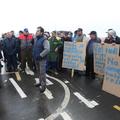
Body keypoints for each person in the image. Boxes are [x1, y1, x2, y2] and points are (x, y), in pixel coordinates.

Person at [33, 26, 50, 93]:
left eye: (38, 31)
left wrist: (40, 55)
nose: (36, 32)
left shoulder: (44, 40)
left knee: (42, 73)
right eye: (36, 31)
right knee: (38, 72)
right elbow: (35, 48)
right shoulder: (36, 39)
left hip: (42, 59)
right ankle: (40, 82)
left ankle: (43, 86)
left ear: (41, 32)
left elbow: (47, 49)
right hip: (36, 58)